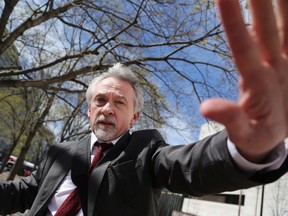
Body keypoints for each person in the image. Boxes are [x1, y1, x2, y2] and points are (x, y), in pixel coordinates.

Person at [1, 0, 288, 215]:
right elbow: (24, 192)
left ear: (134, 116)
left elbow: (189, 164)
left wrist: (248, 148)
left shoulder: (146, 150)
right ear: (89, 110)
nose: (108, 108)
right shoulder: (59, 153)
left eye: (119, 102)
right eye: (100, 100)